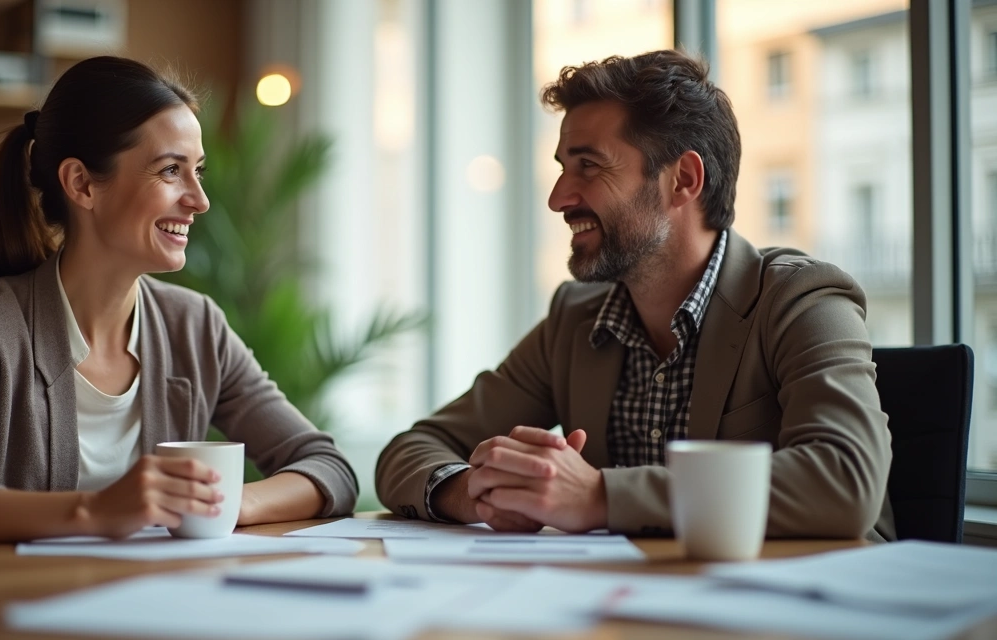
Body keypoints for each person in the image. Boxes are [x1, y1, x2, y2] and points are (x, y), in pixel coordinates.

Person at [375, 49, 894, 541]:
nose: (558, 198)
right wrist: (475, 493)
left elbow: (846, 480)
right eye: (561, 167)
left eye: (589, 166)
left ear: (683, 180)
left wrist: (599, 496)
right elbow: (408, 451)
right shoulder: (574, 321)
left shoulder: (800, 299)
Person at [0, 56, 358, 544]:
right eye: (171, 170)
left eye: (198, 171)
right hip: (16, 612)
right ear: (82, 183)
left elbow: (329, 469)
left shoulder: (196, 327)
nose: (199, 200)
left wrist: (223, 503)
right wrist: (96, 510)